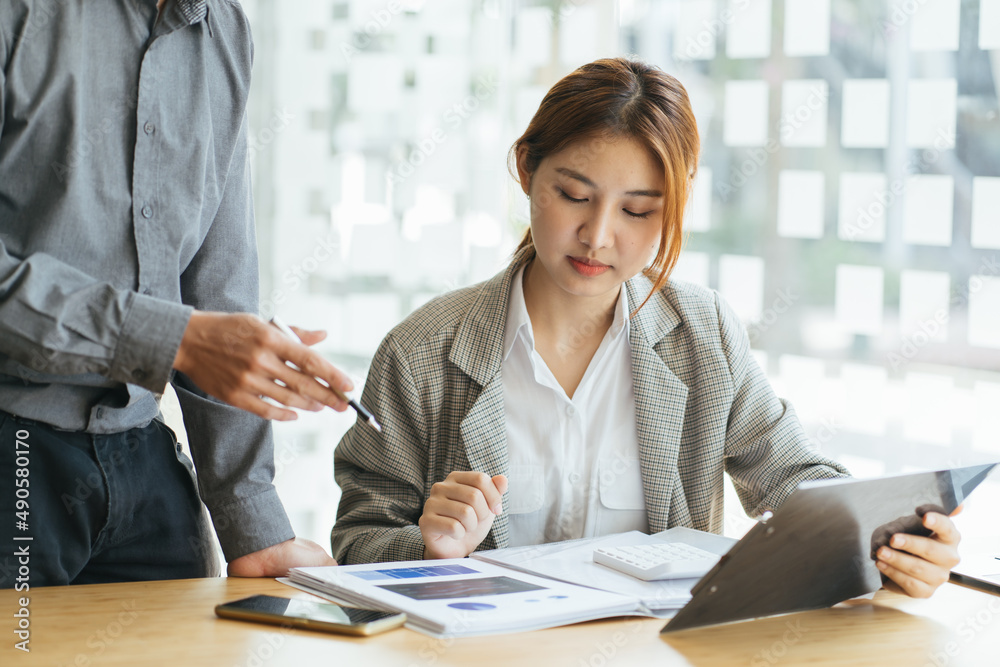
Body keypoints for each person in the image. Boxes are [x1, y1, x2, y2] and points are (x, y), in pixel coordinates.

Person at [331, 58, 960, 599]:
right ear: (526, 169)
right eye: (574, 195)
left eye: (637, 210)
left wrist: (891, 541)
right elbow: (358, 536)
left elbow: (795, 479)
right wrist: (429, 546)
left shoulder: (702, 333)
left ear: (676, 205)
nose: (598, 236)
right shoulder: (424, 350)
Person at [0, 0, 351, 587]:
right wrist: (174, 339)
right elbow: (197, 332)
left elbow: (221, 282)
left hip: (147, 466)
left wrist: (254, 525)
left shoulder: (225, 29)